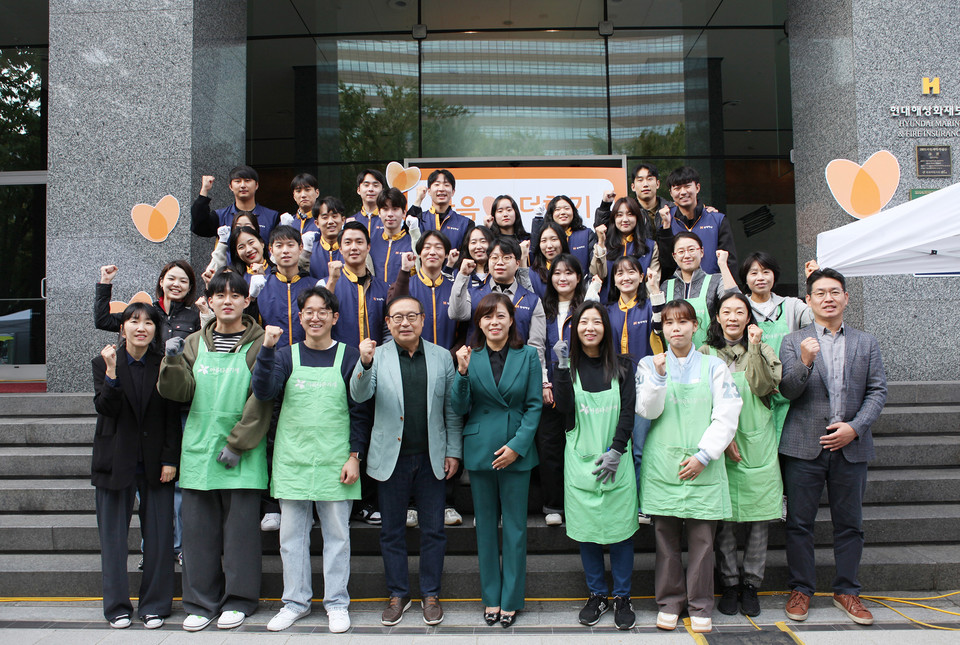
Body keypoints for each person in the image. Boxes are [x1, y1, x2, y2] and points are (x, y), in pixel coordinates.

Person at [157, 269, 273, 632]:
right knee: (197, 535)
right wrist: (171, 362)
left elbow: (262, 398)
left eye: (235, 295)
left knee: (240, 536)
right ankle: (200, 603)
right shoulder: (194, 342)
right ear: (208, 301)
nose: (227, 301)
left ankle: (239, 601)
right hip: (199, 449)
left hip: (243, 453)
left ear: (247, 301)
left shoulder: (260, 343)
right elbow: (179, 393)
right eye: (219, 295)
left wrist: (238, 443)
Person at [251, 287, 368, 633]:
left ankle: (337, 603)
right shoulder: (285, 355)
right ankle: (295, 603)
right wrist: (266, 350)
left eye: (323, 311)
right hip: (293, 459)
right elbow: (264, 392)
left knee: (338, 537)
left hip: (336, 460)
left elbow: (359, 410)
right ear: (299, 318)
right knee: (291, 539)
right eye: (309, 312)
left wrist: (354, 456)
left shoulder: (348, 356)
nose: (315, 318)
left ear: (334, 317)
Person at [779, 268, 887, 626]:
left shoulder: (866, 342)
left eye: (835, 292)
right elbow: (788, 390)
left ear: (846, 298)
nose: (828, 298)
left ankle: (847, 591)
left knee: (850, 524)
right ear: (808, 300)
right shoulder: (794, 341)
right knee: (799, 523)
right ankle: (801, 590)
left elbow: (877, 391)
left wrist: (854, 428)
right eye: (821, 293)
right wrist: (805, 362)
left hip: (850, 447)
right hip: (803, 446)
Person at [350, 296, 463, 627]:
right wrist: (364, 363)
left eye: (411, 316)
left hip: (432, 457)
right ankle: (398, 594)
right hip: (391, 458)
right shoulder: (377, 356)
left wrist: (453, 451)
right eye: (397, 317)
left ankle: (431, 594)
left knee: (434, 531)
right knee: (391, 531)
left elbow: (452, 409)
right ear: (387, 323)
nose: (405, 323)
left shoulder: (441, 357)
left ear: (423, 319)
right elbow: (359, 395)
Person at [636, 299, 742, 634]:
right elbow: (647, 411)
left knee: (702, 542)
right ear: (662, 329)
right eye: (669, 323)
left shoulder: (714, 366)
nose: (676, 328)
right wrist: (659, 376)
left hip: (703, 464)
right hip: (664, 464)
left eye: (683, 322)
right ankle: (669, 602)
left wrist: (704, 455)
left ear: (696, 326)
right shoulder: (649, 364)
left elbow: (727, 413)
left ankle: (700, 604)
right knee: (665, 540)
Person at [452, 293, 542, 628]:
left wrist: (517, 446)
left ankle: (511, 599)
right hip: (481, 451)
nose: (494, 322)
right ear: (479, 322)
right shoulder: (469, 356)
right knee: (486, 529)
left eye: (500, 315)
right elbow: (459, 407)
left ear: (511, 320)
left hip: (516, 450)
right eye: (487, 316)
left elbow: (534, 405)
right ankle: (491, 596)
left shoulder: (528, 355)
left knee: (515, 528)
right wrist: (461, 373)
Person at [92, 303, 180, 630]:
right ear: (123, 328)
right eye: (133, 321)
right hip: (115, 461)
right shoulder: (103, 362)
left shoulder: (165, 363)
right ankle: (116, 606)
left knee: (158, 538)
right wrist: (112, 372)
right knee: (113, 540)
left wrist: (170, 459)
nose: (141, 328)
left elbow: (172, 416)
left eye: (148, 323)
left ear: (156, 330)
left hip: (156, 463)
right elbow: (106, 408)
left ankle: (154, 605)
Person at [553, 303, 638, 630]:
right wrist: (562, 368)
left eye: (596, 322)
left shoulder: (624, 366)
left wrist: (617, 450)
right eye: (583, 322)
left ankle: (623, 597)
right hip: (580, 464)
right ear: (575, 329)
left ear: (606, 327)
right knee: (587, 534)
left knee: (621, 533)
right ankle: (597, 594)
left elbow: (628, 413)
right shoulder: (568, 367)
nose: (590, 327)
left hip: (617, 461)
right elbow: (563, 408)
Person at [700, 292, 782, 618]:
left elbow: (763, 387)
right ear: (717, 318)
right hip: (721, 443)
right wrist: (723, 437)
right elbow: (700, 401)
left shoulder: (764, 349)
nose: (733, 318)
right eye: (726, 312)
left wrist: (755, 348)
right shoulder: (706, 353)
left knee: (759, 519)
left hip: (757, 442)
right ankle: (730, 583)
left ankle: (751, 584)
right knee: (724, 521)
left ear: (749, 317)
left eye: (739, 312)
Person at [538, 255, 598, 526]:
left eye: (569, 273)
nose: (563, 278)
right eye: (557, 273)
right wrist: (543, 382)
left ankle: (581, 501)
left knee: (583, 447)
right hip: (550, 388)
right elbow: (537, 346)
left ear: (578, 277)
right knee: (550, 447)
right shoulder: (543, 309)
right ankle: (553, 505)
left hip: (582, 387)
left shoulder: (587, 307)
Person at [605, 255, 665, 524]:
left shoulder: (649, 306)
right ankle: (617, 503)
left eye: (631, 272)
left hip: (644, 387)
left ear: (641, 277)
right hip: (613, 387)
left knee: (640, 450)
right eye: (619, 273)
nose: (625, 277)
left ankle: (643, 504)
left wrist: (655, 291)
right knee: (614, 446)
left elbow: (661, 329)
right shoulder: (607, 311)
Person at [448, 236, 548, 393]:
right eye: (494, 257)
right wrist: (462, 275)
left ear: (517, 263)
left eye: (506, 258)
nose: (499, 262)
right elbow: (456, 313)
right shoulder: (473, 294)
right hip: (478, 376)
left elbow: (537, 346)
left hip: (517, 379)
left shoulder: (532, 300)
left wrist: (541, 381)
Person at [740, 252, 815, 437]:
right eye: (754, 273)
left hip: (790, 391)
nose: (760, 278)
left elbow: (817, 318)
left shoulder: (791, 305)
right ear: (745, 278)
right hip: (753, 390)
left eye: (766, 272)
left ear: (774, 275)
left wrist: (814, 282)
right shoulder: (740, 308)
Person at [662, 232, 739, 349]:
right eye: (681, 251)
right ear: (674, 256)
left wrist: (723, 265)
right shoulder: (666, 286)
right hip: (675, 356)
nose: (687, 255)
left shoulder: (716, 280)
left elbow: (736, 303)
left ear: (701, 252)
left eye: (691, 250)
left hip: (712, 354)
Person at [657, 166, 737, 276]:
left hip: (713, 284)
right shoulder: (666, 220)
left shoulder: (717, 220)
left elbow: (730, 262)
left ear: (697, 187)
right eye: (677, 188)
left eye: (687, 186)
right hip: (678, 285)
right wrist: (666, 228)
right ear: (671, 192)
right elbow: (665, 263)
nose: (683, 192)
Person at [96, 261, 201, 344]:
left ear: (189, 288)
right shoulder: (146, 312)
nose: (176, 284)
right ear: (161, 282)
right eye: (171, 279)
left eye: (183, 281)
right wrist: (105, 282)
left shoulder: (195, 318)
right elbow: (103, 321)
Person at [326, 221, 389, 348]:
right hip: (339, 358)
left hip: (376, 358)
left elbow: (388, 330)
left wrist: (382, 355)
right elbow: (319, 322)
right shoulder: (326, 284)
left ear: (368, 247)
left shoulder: (384, 288)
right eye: (348, 242)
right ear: (340, 249)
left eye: (359, 242)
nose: (354, 247)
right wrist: (332, 282)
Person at [592, 196, 658, 304]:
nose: (625, 219)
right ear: (613, 219)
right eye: (619, 215)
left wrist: (642, 306)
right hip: (608, 306)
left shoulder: (650, 246)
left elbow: (653, 280)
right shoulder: (605, 245)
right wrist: (601, 243)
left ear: (637, 217)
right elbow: (597, 275)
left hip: (641, 306)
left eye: (630, 214)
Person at [191, 166, 279, 241]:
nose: (243, 185)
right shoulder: (220, 216)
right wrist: (204, 190)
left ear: (256, 185)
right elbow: (199, 227)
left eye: (247, 181)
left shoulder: (272, 217)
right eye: (238, 181)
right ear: (230, 186)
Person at [408, 169, 475, 250]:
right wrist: (418, 199)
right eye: (437, 184)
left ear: (453, 192)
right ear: (429, 191)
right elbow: (407, 226)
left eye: (446, 185)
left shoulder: (466, 223)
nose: (441, 189)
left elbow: (467, 252)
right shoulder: (419, 220)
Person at [595, 163, 673, 231]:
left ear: (657, 184)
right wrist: (605, 205)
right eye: (640, 180)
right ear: (633, 187)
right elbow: (603, 230)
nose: (645, 184)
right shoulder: (627, 211)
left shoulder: (671, 209)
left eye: (649, 179)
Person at [536, 195, 597, 273]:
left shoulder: (586, 234)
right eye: (557, 209)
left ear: (573, 211)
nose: (562, 212)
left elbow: (596, 264)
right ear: (551, 214)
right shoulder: (544, 237)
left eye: (567, 208)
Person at [369, 187, 415, 286]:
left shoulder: (412, 244)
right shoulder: (371, 244)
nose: (390, 214)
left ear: (404, 213)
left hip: (403, 295)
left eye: (395, 209)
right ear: (379, 213)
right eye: (385, 209)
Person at [307, 196, 346, 281]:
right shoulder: (309, 252)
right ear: (317, 223)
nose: (330, 221)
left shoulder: (351, 250)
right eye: (325, 217)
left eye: (334, 216)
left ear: (343, 220)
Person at [529, 221, 570, 298]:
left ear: (562, 241)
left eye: (554, 239)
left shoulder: (573, 269)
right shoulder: (531, 274)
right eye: (544, 241)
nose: (549, 246)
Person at [352, 169, 386, 235]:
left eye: (375, 185)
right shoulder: (352, 221)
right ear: (358, 190)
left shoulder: (389, 220)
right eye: (366, 185)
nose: (370, 189)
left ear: (382, 190)